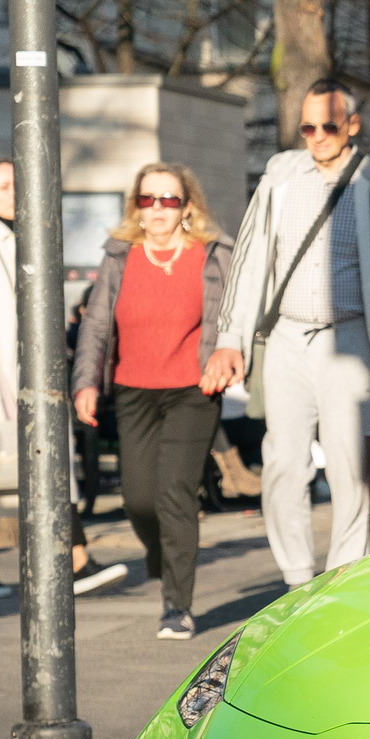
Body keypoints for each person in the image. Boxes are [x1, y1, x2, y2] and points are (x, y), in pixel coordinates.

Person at [205, 79, 370, 587]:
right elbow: (252, 255)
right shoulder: (280, 173)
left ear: (352, 126)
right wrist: (230, 338)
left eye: (328, 125)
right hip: (285, 340)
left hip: (351, 342)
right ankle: (297, 579)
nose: (316, 136)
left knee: (348, 466)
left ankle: (344, 578)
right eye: (307, 126)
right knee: (283, 462)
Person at [0, 159, 122, 599]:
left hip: (26, 376)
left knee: (34, 466)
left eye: (18, 183)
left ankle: (39, 563)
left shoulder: (24, 241)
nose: (15, 191)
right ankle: (52, 562)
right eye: (4, 185)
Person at [72, 163, 234, 639]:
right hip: (132, 391)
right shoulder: (120, 256)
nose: (158, 208)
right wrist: (85, 382)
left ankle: (177, 606)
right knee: (139, 499)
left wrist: (228, 353)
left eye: (168, 199)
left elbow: (233, 315)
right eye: (148, 199)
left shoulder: (212, 255)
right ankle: (162, 555)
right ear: (137, 208)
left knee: (174, 494)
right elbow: (96, 325)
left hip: (193, 389)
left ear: (186, 207)